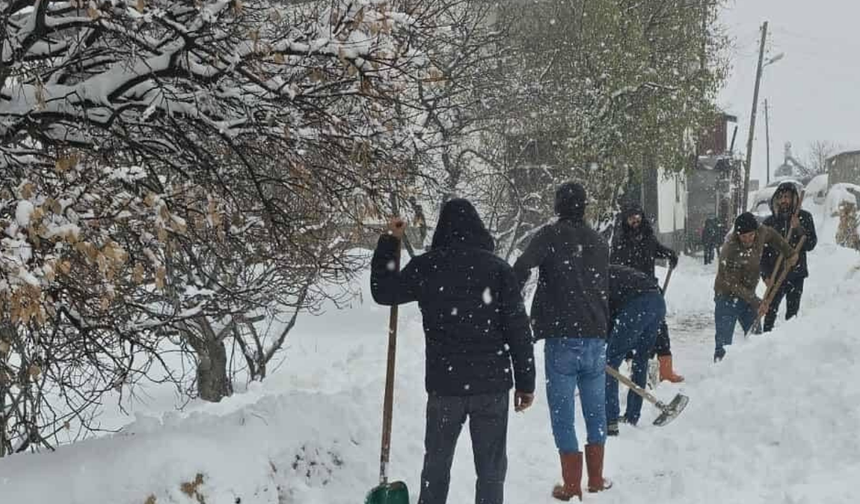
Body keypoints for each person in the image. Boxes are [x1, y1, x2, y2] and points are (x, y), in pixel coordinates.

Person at [371, 198, 536, 504]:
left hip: (445, 387)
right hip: (491, 386)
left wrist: (389, 242)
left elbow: (385, 291)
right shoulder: (498, 270)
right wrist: (526, 384)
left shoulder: (428, 267)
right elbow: (518, 332)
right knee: (490, 471)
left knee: (436, 466)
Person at [513, 182, 611, 501]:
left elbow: (522, 267)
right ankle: (595, 480)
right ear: (584, 206)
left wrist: (511, 299)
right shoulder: (598, 241)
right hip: (596, 336)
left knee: (563, 414)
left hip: (562, 338)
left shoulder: (550, 236)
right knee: (596, 411)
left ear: (558, 206)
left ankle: (571, 486)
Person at [610, 204, 684, 383]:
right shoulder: (620, 242)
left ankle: (666, 371)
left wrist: (669, 254)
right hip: (629, 294)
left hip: (650, 290)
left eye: (638, 217)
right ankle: (632, 368)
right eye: (631, 218)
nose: (635, 221)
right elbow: (615, 269)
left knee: (660, 329)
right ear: (625, 221)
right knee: (630, 332)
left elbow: (657, 249)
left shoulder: (647, 237)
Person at [713, 212, 797, 362]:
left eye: (750, 235)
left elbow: (773, 236)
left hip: (747, 297)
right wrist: (758, 302)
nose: (747, 240)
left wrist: (789, 252)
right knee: (724, 344)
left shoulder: (761, 232)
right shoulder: (730, 250)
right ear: (737, 234)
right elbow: (733, 284)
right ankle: (719, 374)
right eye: (743, 237)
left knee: (756, 340)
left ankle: (754, 373)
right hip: (726, 297)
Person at [605, 265, 666, 436]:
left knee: (609, 363)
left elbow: (606, 316)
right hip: (658, 302)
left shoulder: (598, 279)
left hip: (637, 305)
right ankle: (632, 415)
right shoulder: (616, 271)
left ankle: (609, 419)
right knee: (641, 360)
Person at [759, 182, 818, 332]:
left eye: (787, 197)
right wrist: (765, 275)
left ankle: (789, 344)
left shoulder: (804, 217)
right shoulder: (769, 223)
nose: (783, 200)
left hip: (796, 274)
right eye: (780, 197)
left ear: (794, 199)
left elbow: (810, 244)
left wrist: (798, 228)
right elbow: (761, 253)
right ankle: (764, 344)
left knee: (792, 315)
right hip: (775, 274)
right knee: (770, 312)